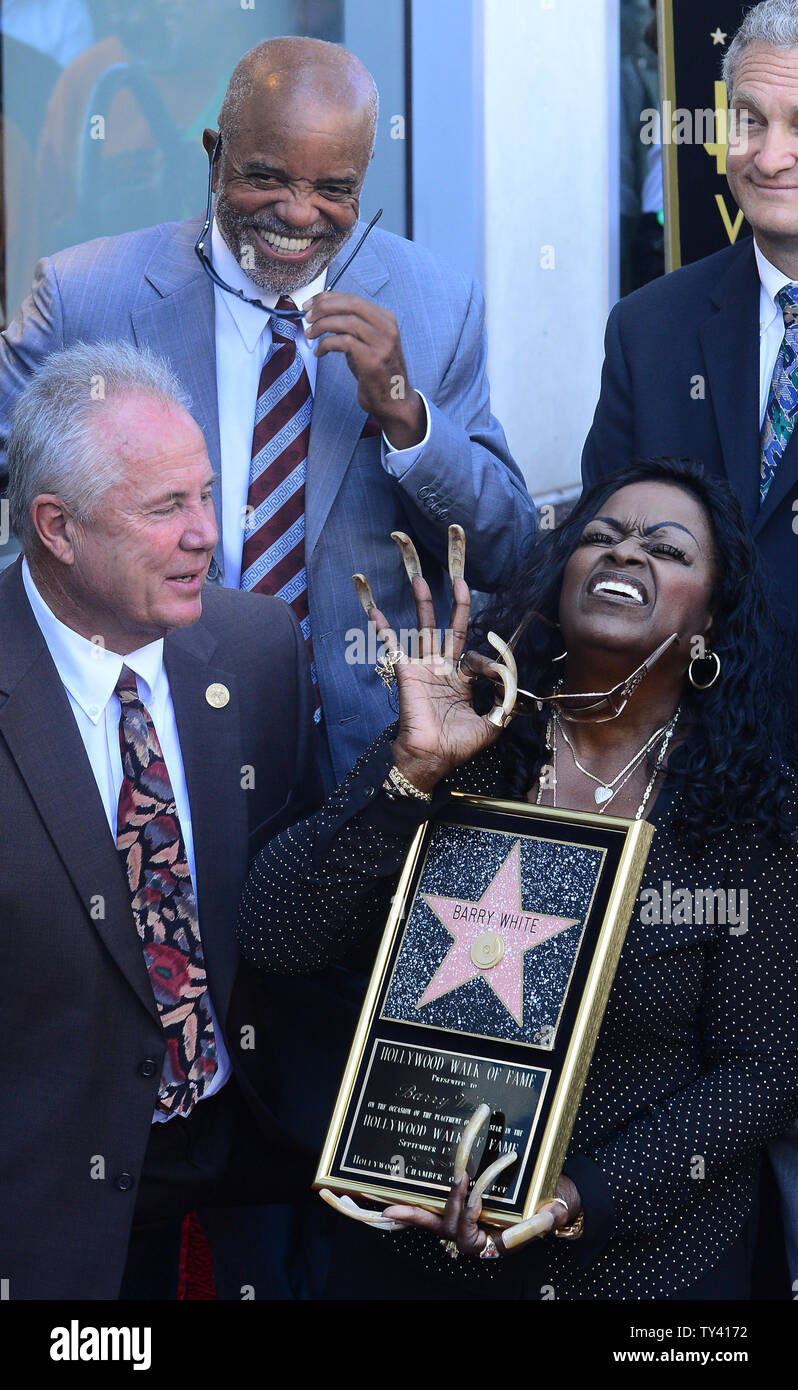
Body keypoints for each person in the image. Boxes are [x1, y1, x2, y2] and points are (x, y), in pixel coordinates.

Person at [237, 457, 798, 1299]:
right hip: (408, 1250)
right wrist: (410, 775)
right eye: (600, 537)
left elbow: (764, 1072)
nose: (624, 554)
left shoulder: (748, 811)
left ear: (711, 619)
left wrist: (571, 1198)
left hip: (637, 1270)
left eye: (667, 549)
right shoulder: (472, 742)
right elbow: (276, 934)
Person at [0, 34, 535, 788]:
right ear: (214, 155)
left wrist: (405, 415)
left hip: (371, 756)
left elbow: (508, 548)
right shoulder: (86, 296)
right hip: (148, 741)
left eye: (334, 188)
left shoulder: (438, 304)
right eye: (266, 177)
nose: (297, 213)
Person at [0, 340, 325, 1299]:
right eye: (165, 509)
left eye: (208, 495)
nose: (208, 537)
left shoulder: (259, 649)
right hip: (48, 1201)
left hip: (251, 1167)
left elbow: (298, 909)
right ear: (56, 528)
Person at [582, 0, 798, 662]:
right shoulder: (647, 329)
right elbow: (599, 559)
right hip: (690, 741)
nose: (769, 158)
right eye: (751, 121)